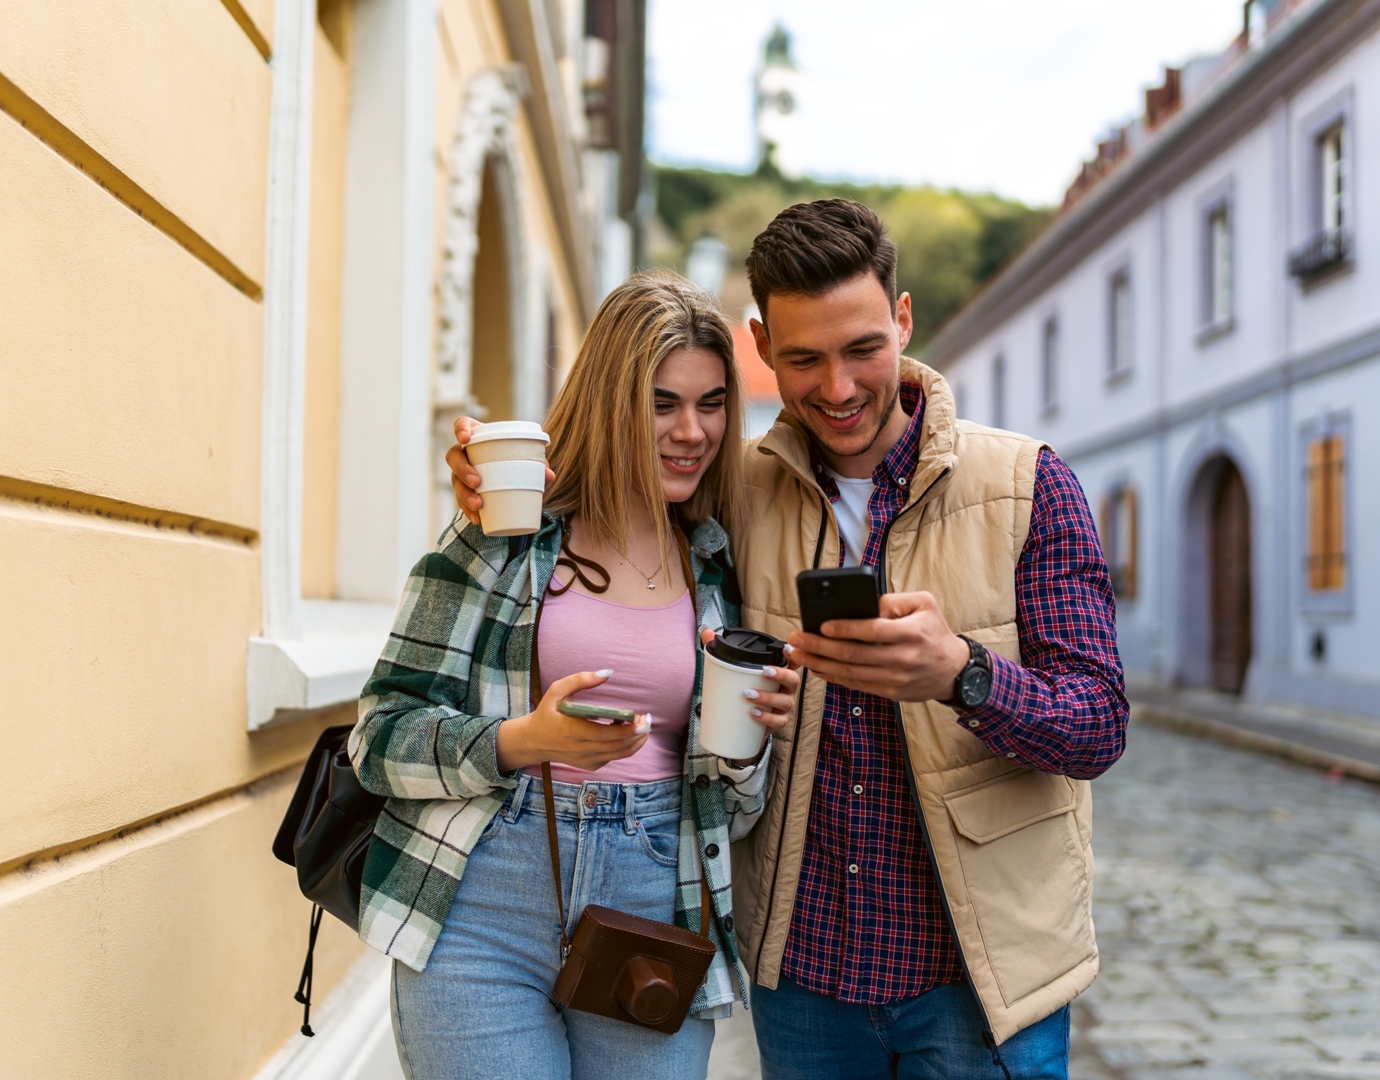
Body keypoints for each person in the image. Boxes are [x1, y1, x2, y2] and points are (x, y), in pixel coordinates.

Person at [446, 200, 1127, 1079]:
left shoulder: (1027, 483)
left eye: (863, 350)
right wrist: (492, 480)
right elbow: (606, 489)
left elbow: (1098, 724)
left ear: (904, 319)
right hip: (803, 982)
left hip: (982, 980)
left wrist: (962, 671)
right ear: (760, 347)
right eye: (803, 358)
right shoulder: (731, 486)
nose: (837, 389)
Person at [352, 270, 804, 1080]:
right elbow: (379, 738)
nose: (692, 431)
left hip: (654, 910)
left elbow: (734, 813)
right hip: (480, 907)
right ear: (609, 401)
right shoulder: (505, 538)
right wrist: (522, 741)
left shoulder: (718, 566)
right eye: (662, 403)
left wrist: (745, 750)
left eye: (710, 405)